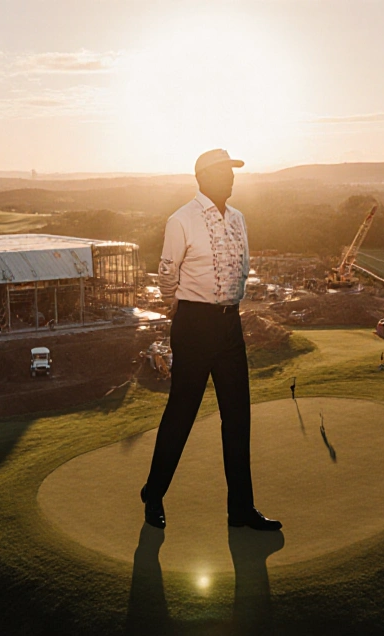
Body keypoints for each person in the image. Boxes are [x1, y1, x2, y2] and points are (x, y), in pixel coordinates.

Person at [140, 149, 281, 532]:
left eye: (233, 172)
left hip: (229, 325)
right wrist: (178, 306)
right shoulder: (181, 220)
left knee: (238, 418)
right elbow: (167, 273)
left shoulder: (238, 219)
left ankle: (241, 510)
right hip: (194, 324)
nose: (232, 178)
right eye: (224, 172)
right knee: (181, 414)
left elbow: (244, 266)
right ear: (202, 177)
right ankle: (153, 494)